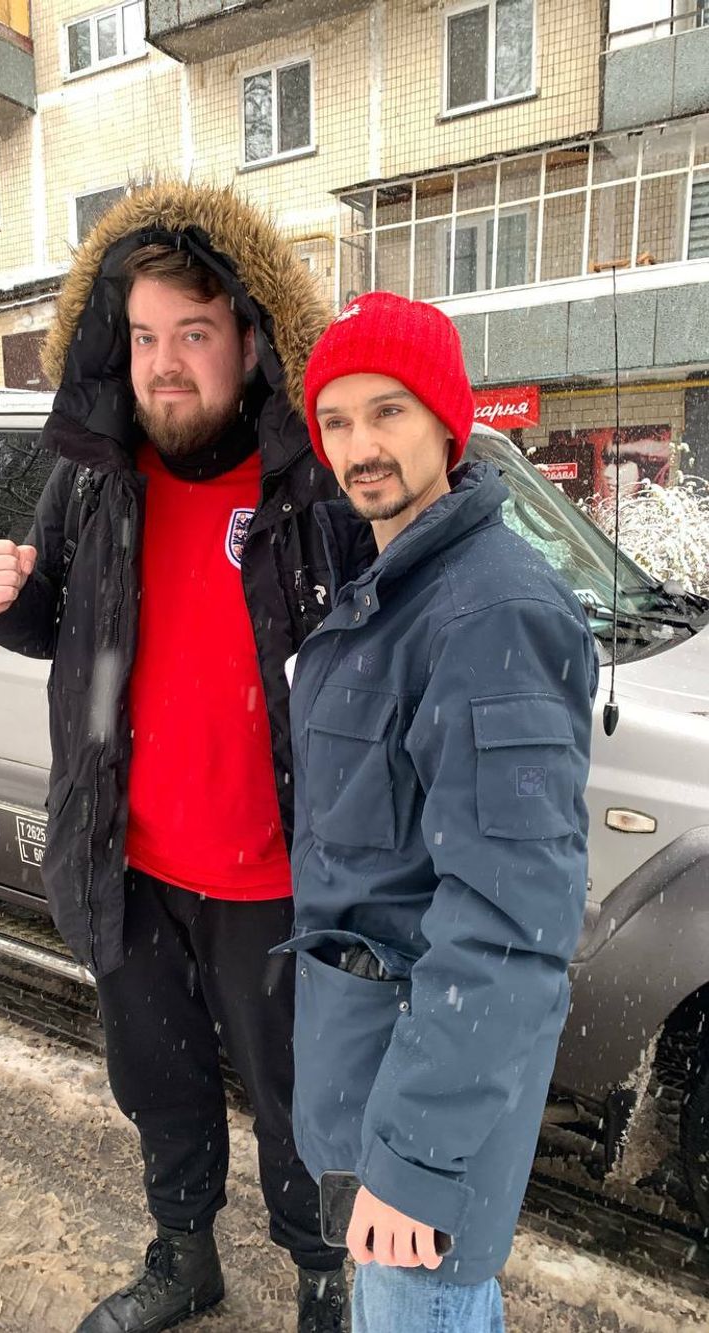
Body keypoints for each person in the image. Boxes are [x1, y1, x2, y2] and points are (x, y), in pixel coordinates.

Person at [0, 182, 351, 1333]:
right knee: (159, 1084)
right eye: (142, 337)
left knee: (302, 1104)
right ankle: (185, 1256)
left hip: (279, 881)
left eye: (192, 333)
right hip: (129, 865)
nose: (165, 365)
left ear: (250, 337)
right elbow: (60, 621)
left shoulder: (309, 487)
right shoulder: (95, 477)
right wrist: (1, 599)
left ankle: (324, 1277)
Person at [283, 291, 598, 1332]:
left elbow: (510, 922)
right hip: (376, 1074)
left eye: (389, 412)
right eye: (336, 420)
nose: (359, 446)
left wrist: (415, 1161)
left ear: (447, 423)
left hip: (422, 1116)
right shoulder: (389, 585)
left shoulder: (490, 613)